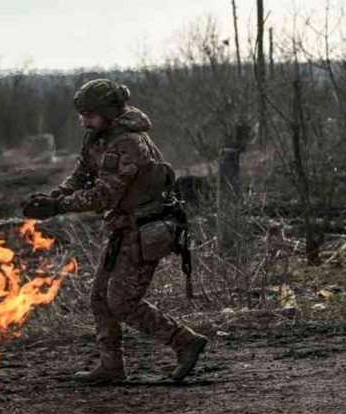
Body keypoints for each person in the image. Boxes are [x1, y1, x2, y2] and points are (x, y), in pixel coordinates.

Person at [22, 78, 208, 383]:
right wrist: (55, 196)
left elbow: (104, 196)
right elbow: (82, 174)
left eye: (90, 115)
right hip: (123, 227)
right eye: (82, 115)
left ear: (109, 112)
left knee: (122, 302)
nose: (85, 121)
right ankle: (111, 366)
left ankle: (185, 341)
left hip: (144, 229)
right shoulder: (97, 137)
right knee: (99, 297)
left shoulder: (129, 143)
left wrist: (58, 207)